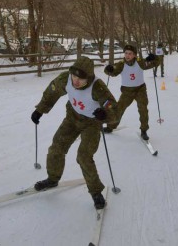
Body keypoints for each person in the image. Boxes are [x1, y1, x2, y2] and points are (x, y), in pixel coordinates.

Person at [30, 56, 118, 209]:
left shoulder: (98, 87)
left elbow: (114, 110)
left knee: (83, 156)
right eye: (74, 76)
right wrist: (40, 110)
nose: (76, 81)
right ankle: (52, 178)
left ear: (89, 78)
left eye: (81, 78)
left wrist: (104, 114)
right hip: (72, 118)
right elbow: (52, 92)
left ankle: (96, 192)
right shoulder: (66, 78)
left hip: (91, 124)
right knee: (56, 147)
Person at [103, 44, 159, 140]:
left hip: (140, 90)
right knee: (119, 109)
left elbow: (155, 63)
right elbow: (113, 73)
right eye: (126, 53)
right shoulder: (121, 64)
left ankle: (144, 130)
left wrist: (153, 58)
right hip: (127, 92)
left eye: (130, 53)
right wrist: (109, 70)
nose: (127, 55)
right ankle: (110, 127)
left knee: (143, 109)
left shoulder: (140, 62)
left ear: (134, 55)